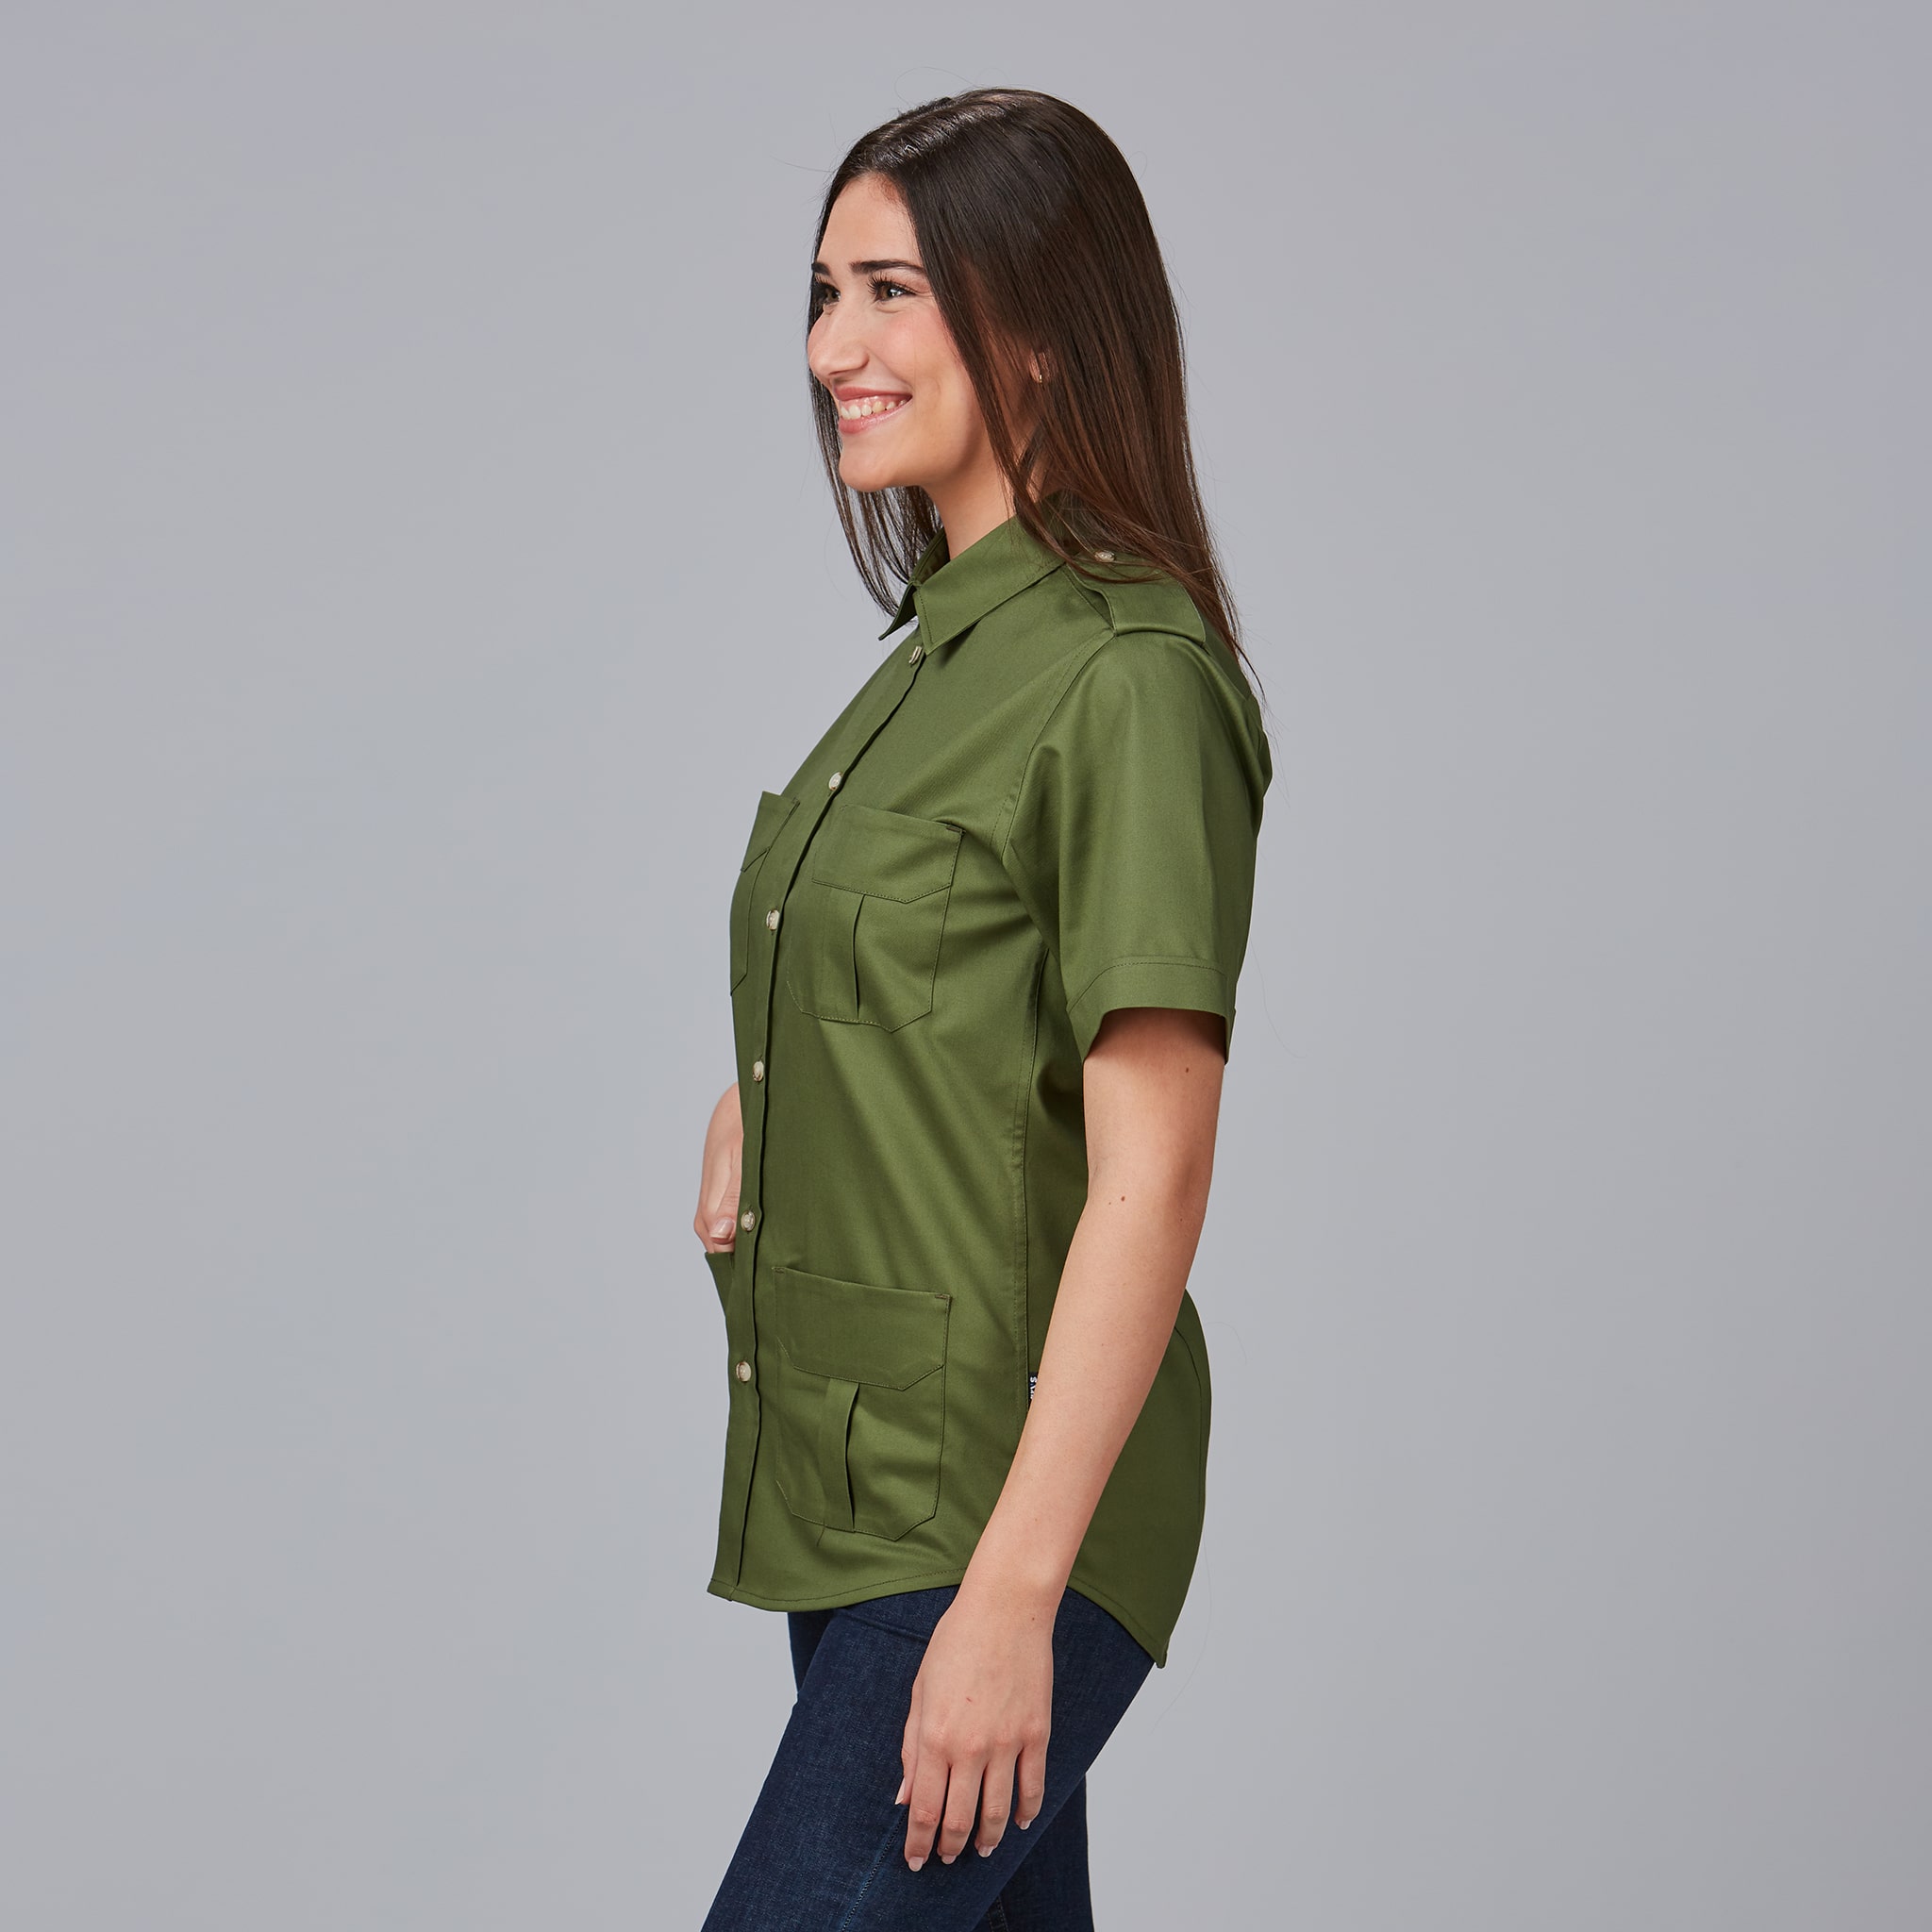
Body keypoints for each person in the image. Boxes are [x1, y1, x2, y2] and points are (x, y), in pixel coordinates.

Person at [692, 88, 1273, 1931]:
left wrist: (1015, 1595)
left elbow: (1153, 1174)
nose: (831, 350)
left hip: (990, 1514)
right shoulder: (935, 664)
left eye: (891, 293)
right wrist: (774, 1093)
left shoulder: (1128, 679)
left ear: (1036, 326)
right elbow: (941, 983)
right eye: (824, 293)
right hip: (862, 1492)